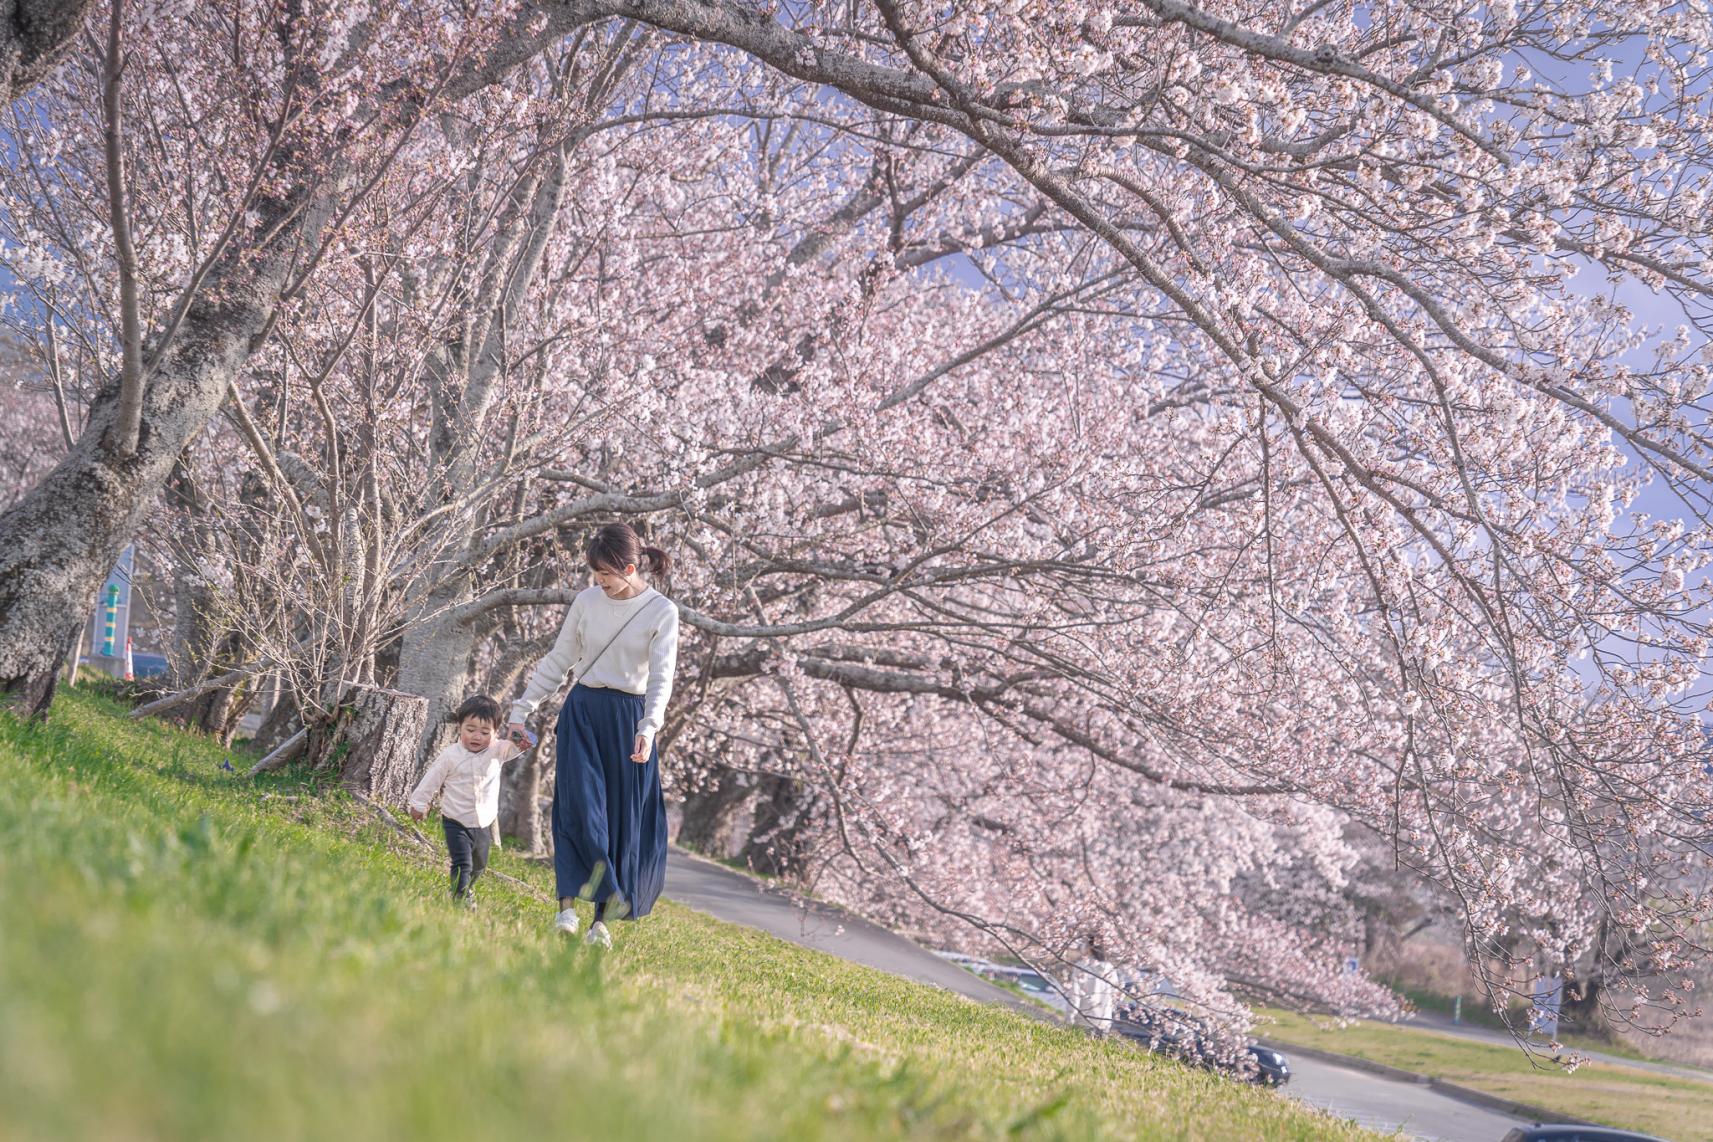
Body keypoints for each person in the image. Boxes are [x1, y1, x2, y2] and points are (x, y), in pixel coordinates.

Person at [509, 522, 679, 949]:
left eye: (606, 574)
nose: (599, 582)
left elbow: (662, 677)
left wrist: (649, 727)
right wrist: (522, 707)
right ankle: (565, 909)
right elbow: (561, 658)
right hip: (583, 709)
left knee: (619, 819)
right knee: (577, 808)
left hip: (628, 718)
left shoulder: (661, 611)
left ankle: (600, 922)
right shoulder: (587, 601)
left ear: (628, 567)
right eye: (595, 575)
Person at [406, 694, 525, 909]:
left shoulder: (498, 751)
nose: (476, 737)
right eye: (470, 730)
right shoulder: (450, 755)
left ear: (495, 733)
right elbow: (432, 779)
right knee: (463, 862)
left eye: (485, 732)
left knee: (479, 864)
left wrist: (518, 727)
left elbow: (521, 744)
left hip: (483, 822)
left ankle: (466, 888)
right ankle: (459, 900)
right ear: (459, 727)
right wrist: (419, 804)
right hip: (456, 820)